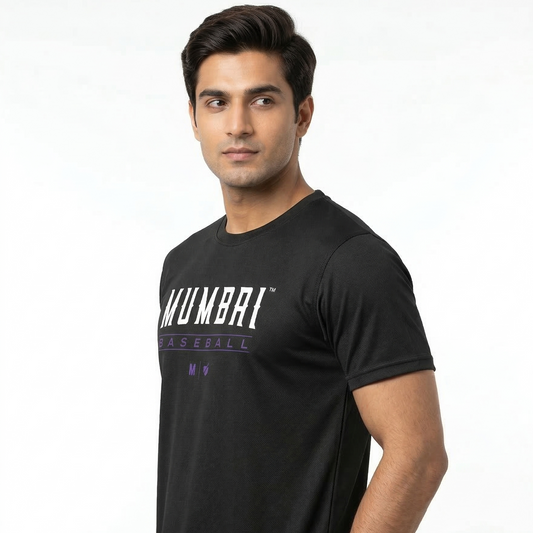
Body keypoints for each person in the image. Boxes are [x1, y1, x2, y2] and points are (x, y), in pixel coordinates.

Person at [157, 5, 447, 533]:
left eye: (263, 100)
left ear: (303, 115)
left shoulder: (351, 261)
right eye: (217, 102)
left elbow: (419, 453)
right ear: (195, 119)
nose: (238, 125)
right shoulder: (182, 265)